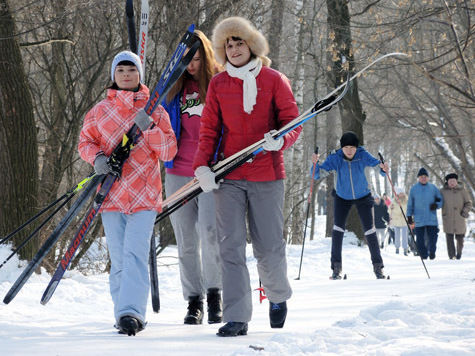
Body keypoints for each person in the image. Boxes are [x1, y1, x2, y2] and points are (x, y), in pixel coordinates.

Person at [192, 16, 301, 337]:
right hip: (229, 175)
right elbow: (209, 130)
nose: (234, 48)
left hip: (267, 174)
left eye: (239, 42)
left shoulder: (273, 79)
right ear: (223, 50)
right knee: (230, 247)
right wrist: (202, 167)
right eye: (228, 43)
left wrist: (280, 138)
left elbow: (293, 121)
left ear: (251, 45)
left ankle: (277, 296)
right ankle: (237, 316)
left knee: (268, 246)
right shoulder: (218, 84)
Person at [78, 51, 177, 335]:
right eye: (120, 70)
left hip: (145, 195)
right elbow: (85, 142)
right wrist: (97, 159)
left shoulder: (154, 110)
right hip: (110, 195)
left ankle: (131, 313)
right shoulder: (98, 111)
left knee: (134, 253)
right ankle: (122, 310)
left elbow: (169, 150)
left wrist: (151, 128)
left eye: (131, 70)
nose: (125, 75)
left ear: (139, 76)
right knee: (120, 257)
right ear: (113, 75)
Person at [163, 30, 223, 325]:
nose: (192, 66)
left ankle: (214, 295)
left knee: (211, 235)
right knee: (186, 240)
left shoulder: (218, 84)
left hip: (210, 172)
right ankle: (194, 300)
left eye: (197, 59)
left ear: (207, 57)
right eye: (187, 60)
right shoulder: (172, 88)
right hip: (177, 171)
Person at [311, 131, 389, 280]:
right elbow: (316, 174)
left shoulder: (363, 154)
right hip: (342, 197)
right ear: (342, 148)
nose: (349, 151)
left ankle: (378, 267)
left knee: (370, 231)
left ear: (356, 147)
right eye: (346, 147)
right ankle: (336, 268)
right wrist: (314, 164)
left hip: (363, 196)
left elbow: (378, 166)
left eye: (352, 148)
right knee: (338, 230)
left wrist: (384, 169)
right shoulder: (336, 157)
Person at [406, 167, 443, 260]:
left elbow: (440, 200)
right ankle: (423, 254)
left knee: (433, 238)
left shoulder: (433, 188)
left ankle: (432, 251)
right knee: (420, 240)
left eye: (425, 176)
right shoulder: (414, 189)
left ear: (428, 178)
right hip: (419, 219)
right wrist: (409, 216)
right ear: (418, 178)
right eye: (421, 176)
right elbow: (410, 204)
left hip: (431, 219)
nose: (423, 178)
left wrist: (436, 205)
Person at [440, 173, 472, 260]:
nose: (452, 183)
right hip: (448, 217)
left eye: (453, 181)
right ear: (447, 182)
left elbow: (468, 203)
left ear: (456, 181)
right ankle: (452, 256)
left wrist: (465, 211)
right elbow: (438, 201)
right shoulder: (442, 191)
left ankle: (459, 254)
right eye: (450, 181)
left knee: (460, 239)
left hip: (460, 217)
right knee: (449, 238)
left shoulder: (462, 190)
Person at [390, 187, 409, 255]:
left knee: (405, 236)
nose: (401, 194)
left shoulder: (407, 200)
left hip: (404, 220)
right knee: (397, 236)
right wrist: (391, 208)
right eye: (400, 193)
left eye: (402, 193)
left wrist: (410, 219)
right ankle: (397, 248)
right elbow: (389, 210)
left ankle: (405, 249)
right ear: (397, 194)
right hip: (396, 220)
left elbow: (409, 210)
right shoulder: (394, 201)